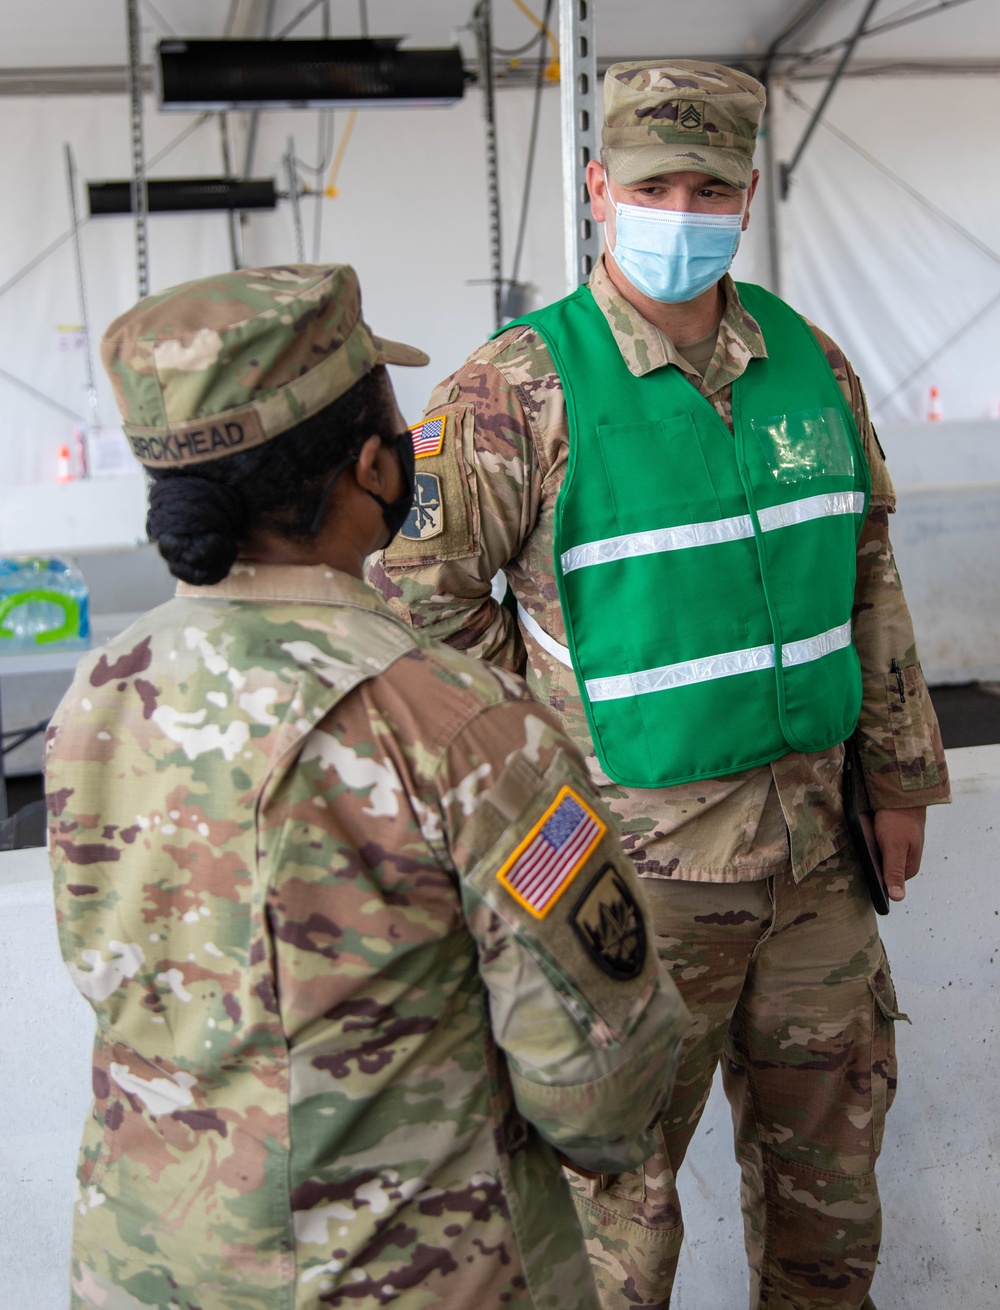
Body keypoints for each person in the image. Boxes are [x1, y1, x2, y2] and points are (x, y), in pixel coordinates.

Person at [368, 63, 951, 1310]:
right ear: (597, 188)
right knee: (611, 1224)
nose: (677, 211)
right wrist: (535, 808)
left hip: (818, 864)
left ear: (744, 198)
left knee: (828, 1194)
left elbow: (866, 573)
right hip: (627, 886)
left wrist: (898, 777)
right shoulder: (508, 392)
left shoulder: (807, 362)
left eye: (707, 188)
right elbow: (425, 628)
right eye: (650, 185)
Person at [45, 263, 692, 1310]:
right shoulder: (461, 725)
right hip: (423, 1275)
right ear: (371, 466)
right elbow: (598, 1083)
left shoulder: (103, 693)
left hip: (150, 1264)